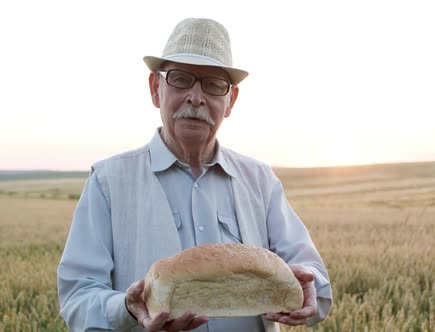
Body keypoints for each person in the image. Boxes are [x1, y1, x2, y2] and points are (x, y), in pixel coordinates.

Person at [57, 18, 332, 332]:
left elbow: (313, 276)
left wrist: (310, 288)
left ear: (230, 101)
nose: (196, 97)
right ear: (155, 89)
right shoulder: (109, 182)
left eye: (214, 84)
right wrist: (126, 309)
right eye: (181, 79)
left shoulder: (260, 181)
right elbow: (77, 299)